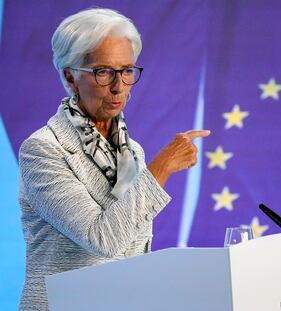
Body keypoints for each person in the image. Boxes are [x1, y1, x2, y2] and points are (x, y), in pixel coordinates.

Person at [18, 8, 210, 310]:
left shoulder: (131, 150)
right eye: (104, 71)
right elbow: (104, 240)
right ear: (70, 76)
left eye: (127, 70)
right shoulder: (43, 150)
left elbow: (134, 250)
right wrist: (161, 168)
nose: (120, 86)